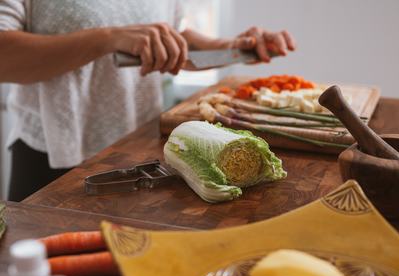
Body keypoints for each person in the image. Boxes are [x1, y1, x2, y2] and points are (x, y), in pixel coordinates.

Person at [0, 0, 296, 202]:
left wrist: (230, 47)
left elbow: (167, 39)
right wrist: (107, 39)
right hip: (49, 163)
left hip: (140, 157)